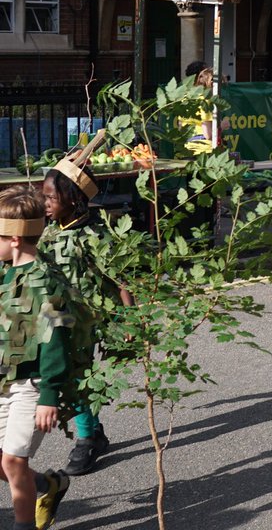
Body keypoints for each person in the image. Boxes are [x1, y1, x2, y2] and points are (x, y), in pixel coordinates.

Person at [0, 187, 86, 530]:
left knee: (13, 463)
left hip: (32, 385)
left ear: (15, 239)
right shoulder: (6, 272)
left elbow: (56, 339)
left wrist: (49, 395)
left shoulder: (46, 282)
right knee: (4, 462)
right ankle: (48, 485)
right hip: (6, 379)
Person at [41, 159, 130, 477]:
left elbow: (120, 279)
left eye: (51, 197)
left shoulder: (94, 235)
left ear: (73, 199)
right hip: (54, 318)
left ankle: (87, 440)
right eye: (44, 196)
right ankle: (94, 430)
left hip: (84, 321)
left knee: (78, 379)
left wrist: (129, 318)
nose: (45, 203)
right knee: (66, 378)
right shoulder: (51, 230)